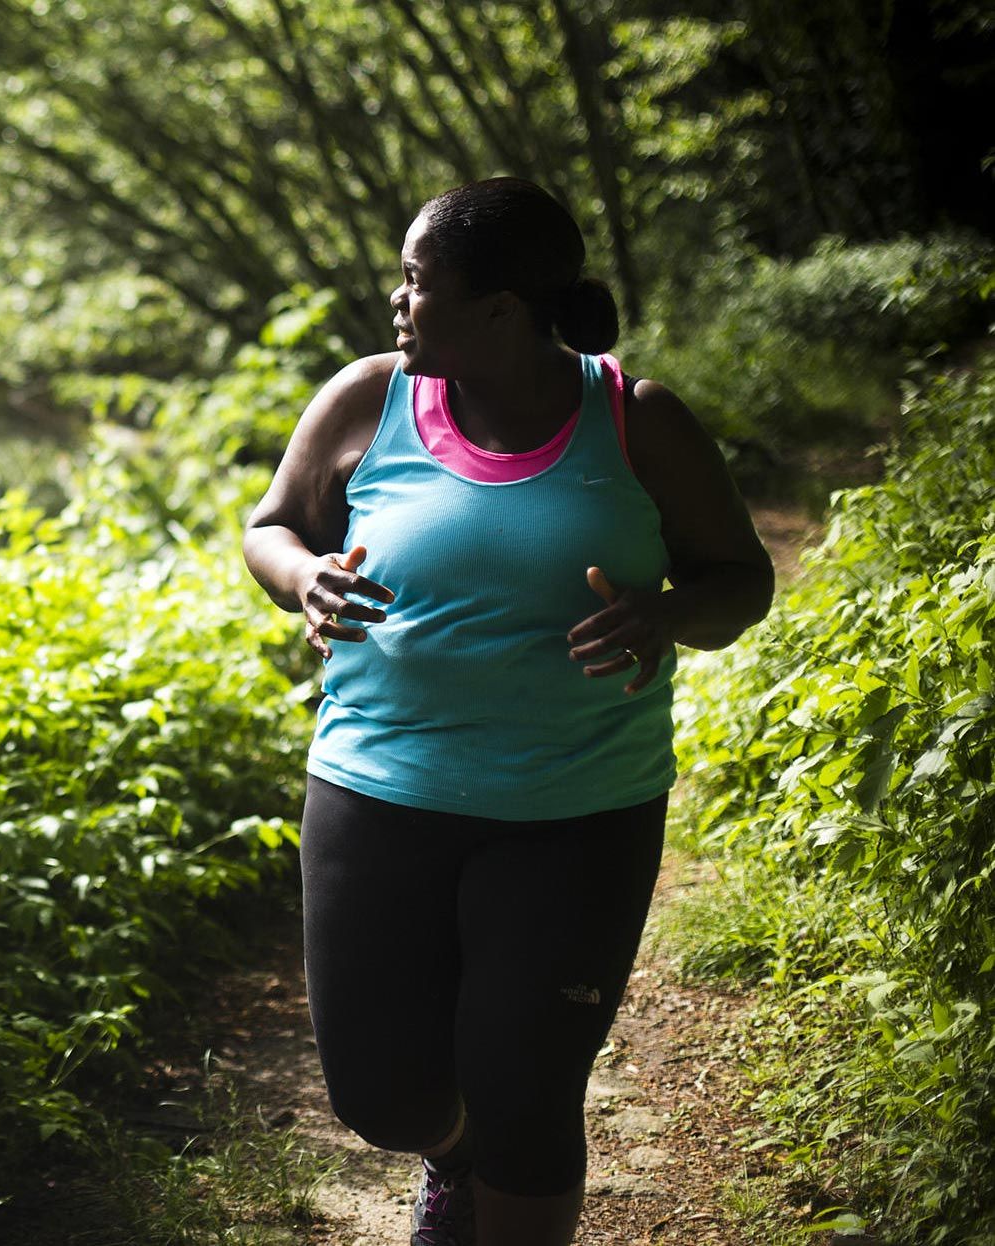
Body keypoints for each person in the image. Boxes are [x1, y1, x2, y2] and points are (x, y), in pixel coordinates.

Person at [240, 177, 774, 1246]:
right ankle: (453, 1152)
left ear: (501, 311)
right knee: (379, 1098)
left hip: (577, 809)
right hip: (374, 790)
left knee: (528, 1092)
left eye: (416, 281)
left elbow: (739, 581)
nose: (396, 301)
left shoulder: (635, 418)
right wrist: (303, 580)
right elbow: (271, 527)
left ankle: (496, 1169)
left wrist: (660, 616)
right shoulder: (364, 398)